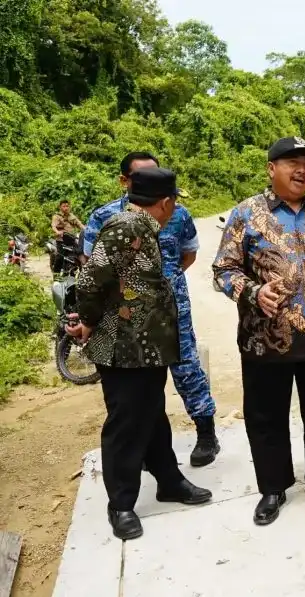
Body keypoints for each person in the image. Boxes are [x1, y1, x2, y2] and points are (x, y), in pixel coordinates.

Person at [213, 136, 305, 525]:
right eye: (290, 162)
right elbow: (223, 270)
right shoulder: (246, 214)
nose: (301, 170)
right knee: (267, 414)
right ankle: (273, 487)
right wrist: (252, 290)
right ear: (271, 169)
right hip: (267, 338)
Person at [66, 167, 212, 540]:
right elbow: (88, 282)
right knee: (126, 425)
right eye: (173, 201)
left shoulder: (144, 229)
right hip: (121, 348)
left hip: (146, 347)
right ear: (165, 203)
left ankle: (169, 480)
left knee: (152, 416)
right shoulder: (126, 228)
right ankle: (122, 504)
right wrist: (89, 321)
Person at [82, 152, 220, 468]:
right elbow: (92, 267)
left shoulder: (178, 214)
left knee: (187, 369)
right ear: (125, 181)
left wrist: (162, 286)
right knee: (139, 387)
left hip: (173, 312)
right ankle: (147, 453)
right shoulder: (105, 218)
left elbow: (188, 256)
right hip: (126, 318)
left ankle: (206, 433)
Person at [50, 201, 84, 273]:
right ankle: (56, 274)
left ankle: (82, 274)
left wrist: (87, 230)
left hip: (72, 239)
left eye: (67, 206)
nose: (66, 208)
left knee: (79, 255)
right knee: (60, 257)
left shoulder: (71, 216)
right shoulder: (56, 216)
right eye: (64, 206)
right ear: (60, 207)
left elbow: (80, 224)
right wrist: (57, 232)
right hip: (61, 240)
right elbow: (53, 226)